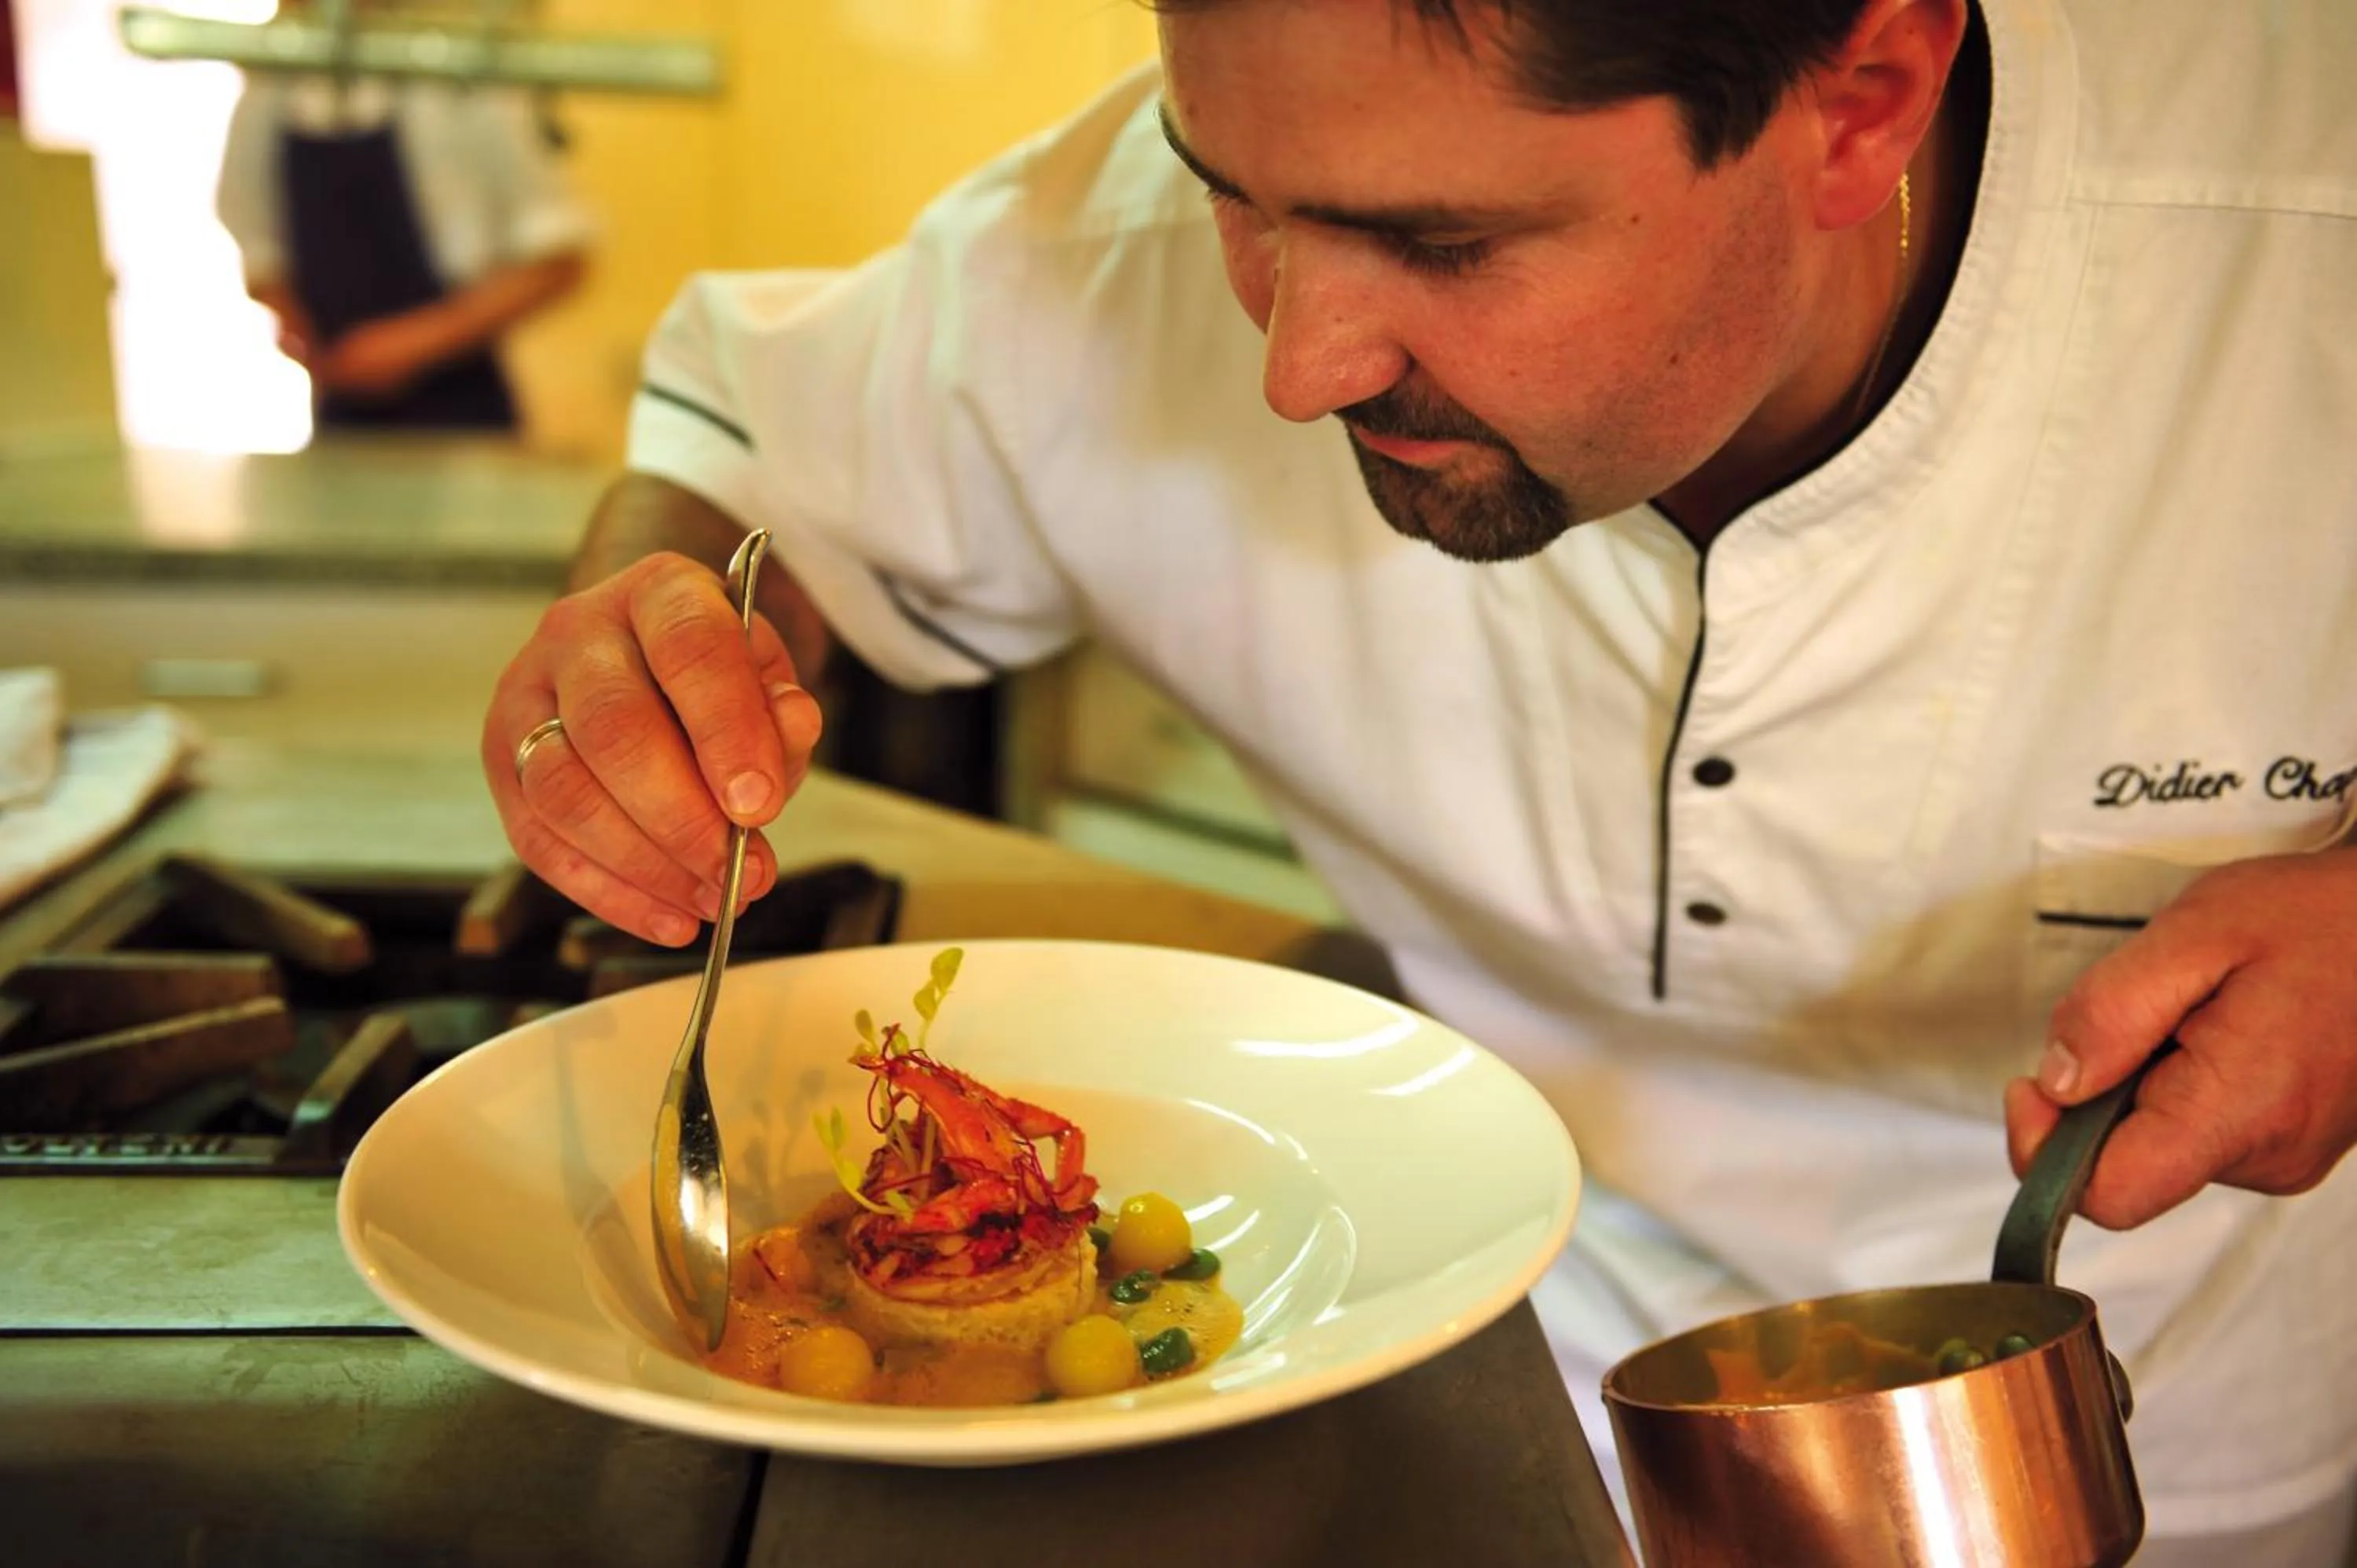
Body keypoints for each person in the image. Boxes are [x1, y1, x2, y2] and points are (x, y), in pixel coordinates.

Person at [482, 0, 2357, 1559]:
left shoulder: (2298, 227)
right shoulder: (1101, 251)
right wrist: (645, 646)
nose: (1298, 362)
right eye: (1231, 196)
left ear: (1857, 104)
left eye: (1443, 245)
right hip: (1468, 1383)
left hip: (2157, 1434)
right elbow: (751, 469)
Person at [216, 63, 592, 431]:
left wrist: (413, 343)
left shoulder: (456, 84)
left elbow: (559, 258)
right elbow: (258, 249)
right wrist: (295, 325)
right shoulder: (268, 98)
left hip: (464, 414)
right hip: (338, 414)